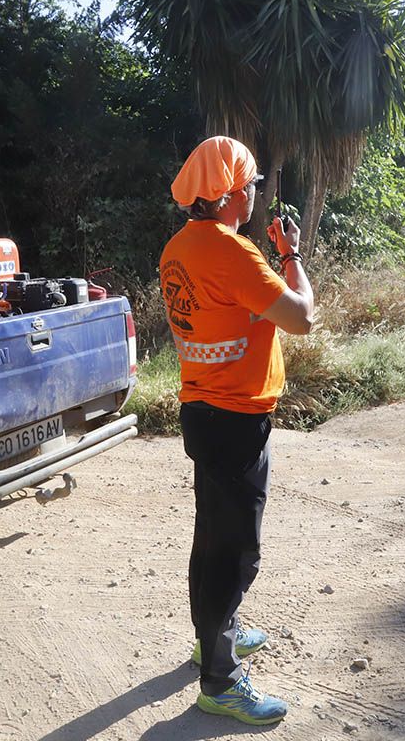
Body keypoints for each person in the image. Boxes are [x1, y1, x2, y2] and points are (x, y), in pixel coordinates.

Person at [159, 136, 314, 725]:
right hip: (236, 419)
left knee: (213, 538)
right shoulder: (233, 252)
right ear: (227, 192)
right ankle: (220, 681)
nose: (254, 192)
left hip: (203, 414)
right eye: (248, 184)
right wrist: (291, 256)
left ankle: (213, 637)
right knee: (234, 552)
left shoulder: (178, 248)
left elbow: (228, 313)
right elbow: (301, 318)